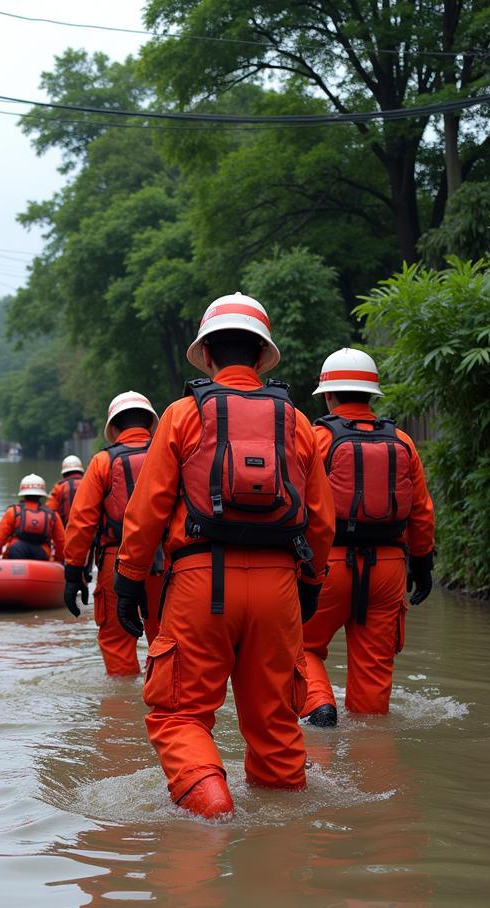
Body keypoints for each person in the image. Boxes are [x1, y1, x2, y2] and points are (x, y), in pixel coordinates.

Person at [114, 292, 335, 819]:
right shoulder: (300, 423)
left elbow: (147, 511)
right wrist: (309, 586)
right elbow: (321, 522)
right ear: (262, 356)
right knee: (276, 722)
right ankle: (280, 847)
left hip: (199, 583)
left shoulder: (182, 414)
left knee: (179, 715)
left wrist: (127, 580)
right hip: (280, 584)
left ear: (206, 354)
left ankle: (211, 810)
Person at [298, 348, 436, 725]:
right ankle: (373, 755)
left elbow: (295, 505)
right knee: (374, 673)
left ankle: (319, 706)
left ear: (328, 395)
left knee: (301, 646)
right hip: (389, 570)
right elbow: (422, 512)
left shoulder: (314, 439)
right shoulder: (404, 442)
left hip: (327, 565)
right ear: (372, 395)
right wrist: (422, 564)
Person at [63, 394, 165, 677]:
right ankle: (164, 705)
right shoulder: (171, 453)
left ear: (114, 427)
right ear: (150, 422)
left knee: (117, 641)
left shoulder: (102, 462)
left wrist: (73, 574)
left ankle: (123, 714)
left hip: (116, 562)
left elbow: (81, 522)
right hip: (166, 562)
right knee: (168, 640)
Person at [0, 474, 66, 562]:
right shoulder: (52, 515)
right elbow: (61, 543)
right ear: (41, 495)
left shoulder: (13, 512)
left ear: (23, 493)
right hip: (42, 556)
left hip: (16, 553)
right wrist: (59, 563)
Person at [47, 455, 84, 529]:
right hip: (89, 532)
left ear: (64, 473)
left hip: (65, 532)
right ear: (81, 472)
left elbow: (50, 513)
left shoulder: (58, 488)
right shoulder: (90, 484)